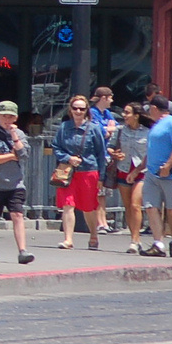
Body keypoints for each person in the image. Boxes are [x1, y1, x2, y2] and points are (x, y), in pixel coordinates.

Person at [0, 100, 36, 266]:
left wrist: (14, 137)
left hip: (15, 184)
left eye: (10, 116)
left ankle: (22, 251)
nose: (7, 120)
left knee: (18, 215)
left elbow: (24, 155)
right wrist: (12, 156)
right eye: (4, 116)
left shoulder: (19, 134)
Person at [51, 94, 108, 249]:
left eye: (81, 109)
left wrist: (102, 177)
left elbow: (101, 154)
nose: (78, 111)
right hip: (67, 172)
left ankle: (93, 235)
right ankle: (68, 239)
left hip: (88, 171)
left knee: (88, 207)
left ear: (86, 110)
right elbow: (56, 147)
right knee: (68, 204)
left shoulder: (94, 129)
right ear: (70, 109)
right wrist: (68, 158)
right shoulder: (64, 127)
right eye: (75, 108)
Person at [140, 95, 172, 258]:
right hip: (152, 174)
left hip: (170, 175)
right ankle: (158, 243)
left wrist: (167, 166)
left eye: (149, 109)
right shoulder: (156, 126)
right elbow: (151, 151)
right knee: (151, 207)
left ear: (154, 108)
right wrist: (138, 169)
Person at [110, 101, 151, 254]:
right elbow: (110, 146)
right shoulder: (120, 130)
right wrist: (114, 153)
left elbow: (149, 154)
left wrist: (137, 171)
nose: (124, 115)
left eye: (127, 113)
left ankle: (135, 239)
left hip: (141, 171)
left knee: (135, 204)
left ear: (136, 115)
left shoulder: (147, 132)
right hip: (123, 169)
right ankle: (135, 238)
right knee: (128, 206)